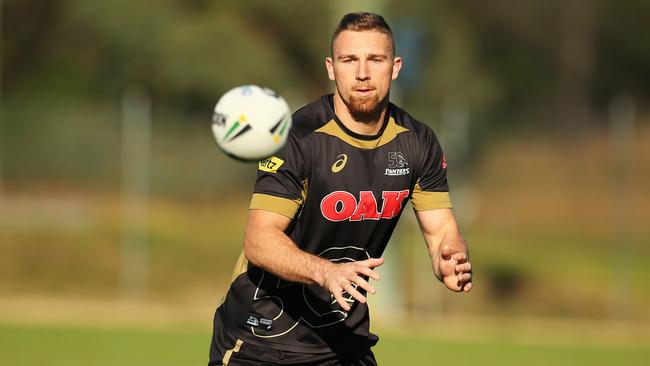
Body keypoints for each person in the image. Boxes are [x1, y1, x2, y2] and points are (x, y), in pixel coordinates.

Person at [209, 12, 472, 366]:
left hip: (343, 340)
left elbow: (442, 232)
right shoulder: (297, 138)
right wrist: (326, 272)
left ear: (395, 67)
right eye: (350, 60)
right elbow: (259, 241)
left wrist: (450, 257)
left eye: (374, 60)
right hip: (262, 340)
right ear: (332, 68)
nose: (362, 73)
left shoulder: (418, 143)